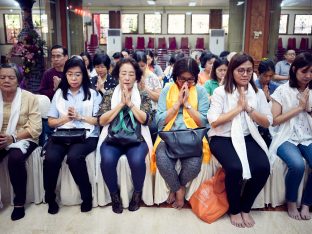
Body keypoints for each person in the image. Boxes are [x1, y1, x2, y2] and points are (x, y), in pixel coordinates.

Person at [207, 53, 272, 228]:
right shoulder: (220, 92)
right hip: (222, 137)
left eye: (249, 71)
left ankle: (245, 208)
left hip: (247, 135)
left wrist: (249, 109)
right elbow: (213, 121)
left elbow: (267, 121)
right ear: (232, 71)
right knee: (235, 168)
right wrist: (238, 109)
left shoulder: (256, 93)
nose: (245, 74)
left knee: (263, 167)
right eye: (241, 70)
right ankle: (234, 210)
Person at [43, 57, 102, 215]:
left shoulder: (93, 94)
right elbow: (50, 122)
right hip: (62, 134)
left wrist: (79, 117)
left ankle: (87, 197)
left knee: (74, 157)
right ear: (65, 75)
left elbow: (98, 121)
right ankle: (50, 198)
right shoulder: (59, 94)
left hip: (87, 135)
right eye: (70, 74)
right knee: (50, 158)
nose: (74, 78)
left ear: (84, 75)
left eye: (77, 74)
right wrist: (66, 119)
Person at [153, 57, 210, 209]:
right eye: (181, 79)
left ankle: (178, 185)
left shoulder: (201, 91)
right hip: (169, 135)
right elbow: (159, 121)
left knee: (194, 166)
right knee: (162, 161)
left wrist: (187, 105)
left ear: (196, 78)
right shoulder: (167, 89)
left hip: (192, 137)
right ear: (175, 76)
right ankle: (178, 189)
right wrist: (177, 104)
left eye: (190, 80)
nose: (185, 84)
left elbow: (204, 122)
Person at [97, 58, 153, 214]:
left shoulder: (142, 95)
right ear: (118, 76)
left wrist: (130, 104)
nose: (127, 78)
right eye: (123, 74)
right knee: (107, 160)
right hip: (112, 138)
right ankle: (114, 196)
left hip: (137, 139)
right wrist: (121, 104)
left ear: (136, 77)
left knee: (136, 161)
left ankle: (137, 194)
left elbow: (146, 120)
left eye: (131, 74)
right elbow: (101, 120)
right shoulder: (109, 94)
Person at [269, 52, 312, 220]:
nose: (308, 76)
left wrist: (308, 110)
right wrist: (300, 107)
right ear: (294, 70)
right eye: (304, 71)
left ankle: (307, 203)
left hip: (307, 135)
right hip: (285, 136)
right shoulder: (282, 91)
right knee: (297, 165)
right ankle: (291, 202)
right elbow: (275, 121)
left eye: (311, 72)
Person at [0, 63, 42, 221]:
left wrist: (13, 138)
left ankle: (19, 203)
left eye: (11, 77)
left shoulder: (29, 98)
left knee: (15, 159)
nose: (6, 80)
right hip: (2, 137)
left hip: (24, 137)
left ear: (18, 80)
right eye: (2, 77)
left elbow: (36, 128)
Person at [132, 51, 162, 143]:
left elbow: (158, 98)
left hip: (151, 111)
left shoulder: (152, 77)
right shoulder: (130, 77)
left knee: (152, 127)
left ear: (146, 64)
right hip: (133, 109)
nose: (140, 69)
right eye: (137, 66)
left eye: (142, 65)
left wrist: (146, 89)